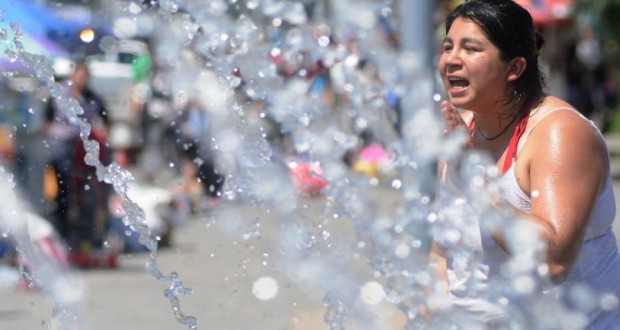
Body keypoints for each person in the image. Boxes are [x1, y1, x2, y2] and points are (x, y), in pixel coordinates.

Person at [433, 0, 620, 328]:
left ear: (515, 68)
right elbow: (441, 253)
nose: (451, 60)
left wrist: (475, 180)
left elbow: (553, 262)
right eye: (448, 47)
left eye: (470, 48)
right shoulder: (460, 133)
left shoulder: (559, 133)